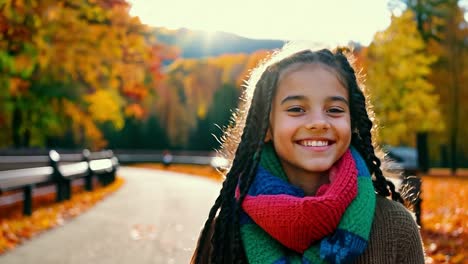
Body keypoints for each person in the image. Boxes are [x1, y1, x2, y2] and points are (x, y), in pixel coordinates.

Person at [191, 42, 425, 263]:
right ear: (266, 126)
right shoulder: (225, 230)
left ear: (352, 123)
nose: (318, 122)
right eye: (296, 109)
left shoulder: (395, 227)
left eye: (334, 109)